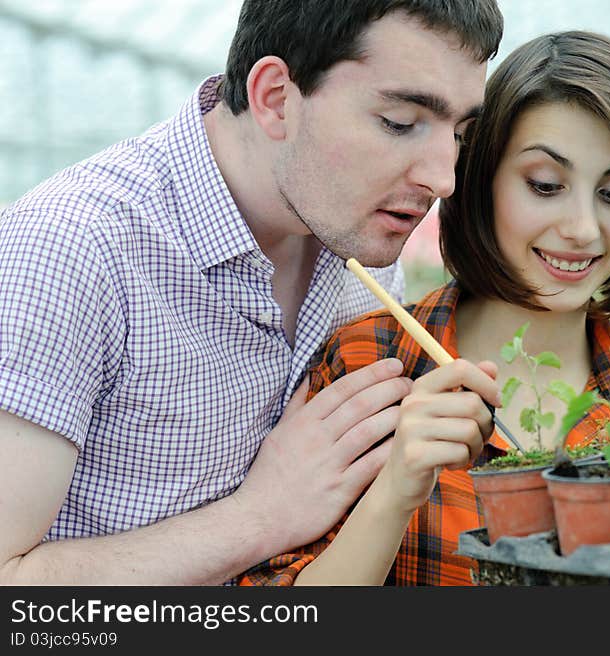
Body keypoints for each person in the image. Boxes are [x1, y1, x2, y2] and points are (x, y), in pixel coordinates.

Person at [0, 0, 503, 585]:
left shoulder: (353, 242)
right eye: (398, 122)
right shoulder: (69, 252)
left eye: (461, 133)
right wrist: (260, 517)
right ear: (274, 98)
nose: (443, 178)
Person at [238, 30, 610, 587]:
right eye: (546, 185)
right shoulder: (375, 360)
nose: (582, 229)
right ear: (479, 180)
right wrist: (397, 488)